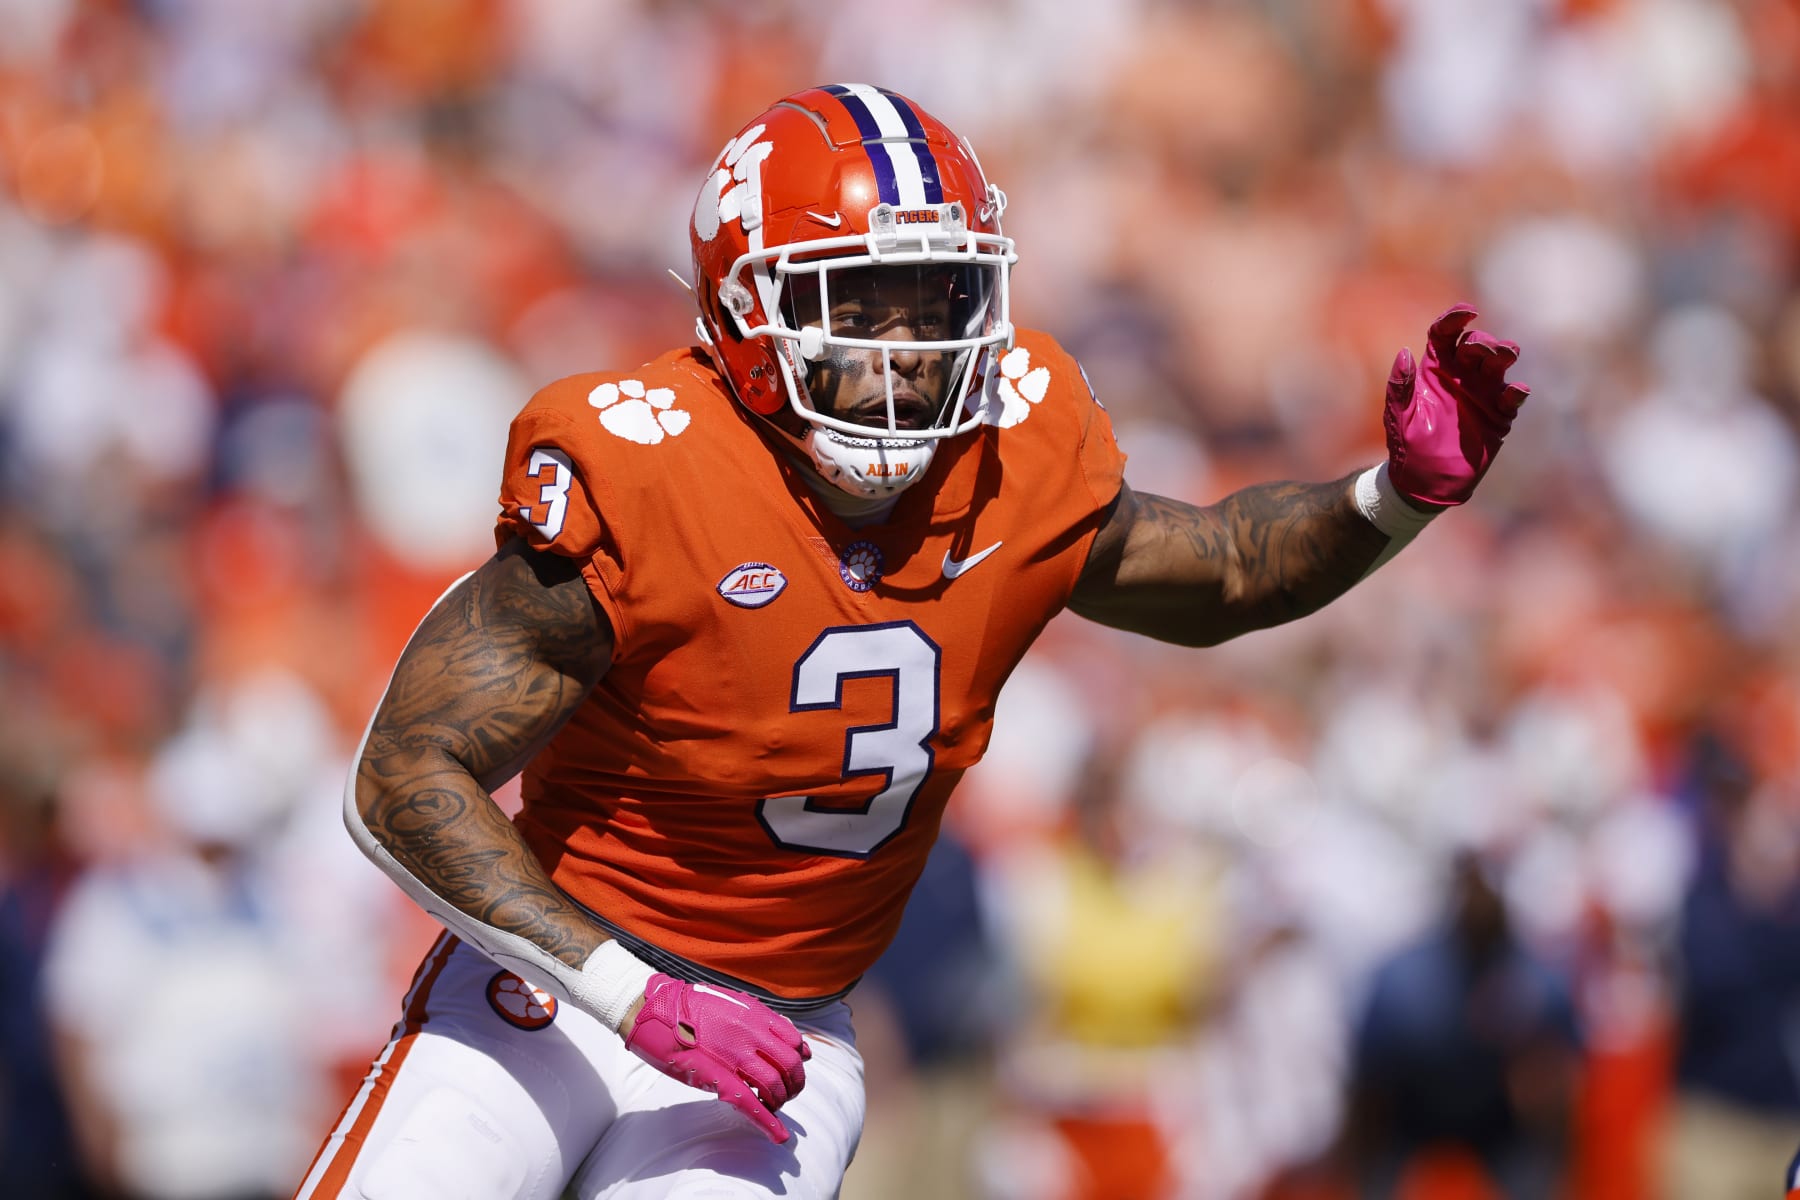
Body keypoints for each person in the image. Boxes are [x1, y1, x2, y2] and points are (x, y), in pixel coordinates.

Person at [294, 82, 1530, 1200]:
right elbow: (403, 774)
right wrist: (631, 992)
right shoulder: (648, 468)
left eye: (933, 300)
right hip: (556, 987)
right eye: (858, 303)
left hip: (781, 1032)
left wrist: (1393, 497)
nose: (904, 350)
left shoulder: (1014, 456)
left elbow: (1225, 571)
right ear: (747, 309)